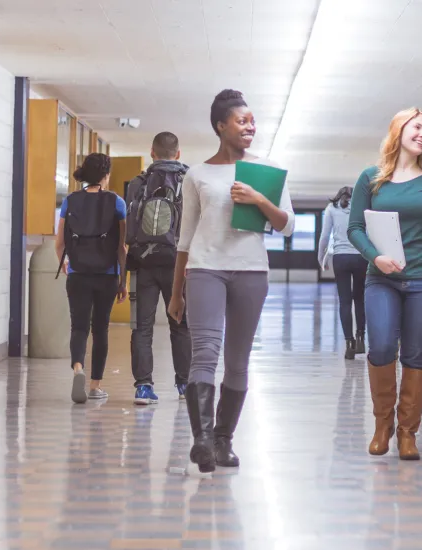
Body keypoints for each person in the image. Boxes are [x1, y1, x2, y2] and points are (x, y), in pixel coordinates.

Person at [167, 89, 295, 473]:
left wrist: (258, 198)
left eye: (253, 121)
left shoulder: (267, 171)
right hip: (205, 269)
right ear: (220, 126)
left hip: (252, 272)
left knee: (237, 361)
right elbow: (185, 239)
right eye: (242, 120)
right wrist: (176, 292)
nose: (250, 126)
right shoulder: (198, 174)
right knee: (205, 352)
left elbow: (286, 226)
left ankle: (224, 441)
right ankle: (202, 441)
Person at [348, 107, 422, 461]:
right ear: (398, 130)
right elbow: (354, 227)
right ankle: (382, 424)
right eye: (417, 127)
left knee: (416, 354)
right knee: (382, 345)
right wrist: (375, 257)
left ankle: (407, 433)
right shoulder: (371, 178)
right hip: (382, 278)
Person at [126, 131, 192, 405]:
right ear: (178, 154)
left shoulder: (137, 183)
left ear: (151, 153)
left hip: (144, 262)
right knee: (181, 324)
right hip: (179, 262)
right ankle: (185, 385)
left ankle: (143, 386)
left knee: (142, 327)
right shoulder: (189, 181)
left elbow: (130, 228)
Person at [56, 153, 127, 404]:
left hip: (78, 274)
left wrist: (65, 264)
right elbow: (121, 247)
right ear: (106, 175)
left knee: (79, 326)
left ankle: (78, 368)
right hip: (106, 275)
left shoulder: (70, 201)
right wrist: (122, 281)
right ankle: (95, 386)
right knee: (100, 329)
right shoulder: (117, 203)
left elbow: (60, 243)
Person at [317, 186, 367, 359]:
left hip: (340, 258)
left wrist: (321, 258)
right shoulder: (363, 207)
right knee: (360, 298)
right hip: (361, 257)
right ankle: (361, 337)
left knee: (345, 301)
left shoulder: (331, 208)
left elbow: (324, 236)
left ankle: (349, 343)